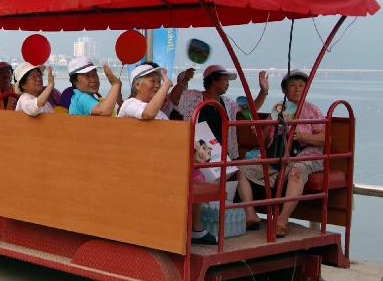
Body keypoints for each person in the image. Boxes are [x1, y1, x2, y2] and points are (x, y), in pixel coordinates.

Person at [119, 63, 217, 245]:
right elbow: (147, 114)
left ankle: (194, 228)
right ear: (137, 85)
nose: (157, 85)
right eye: (152, 81)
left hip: (159, 163)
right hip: (136, 166)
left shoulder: (161, 114)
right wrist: (166, 85)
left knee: (198, 176)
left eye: (158, 81)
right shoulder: (130, 104)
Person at [235, 70, 326, 238]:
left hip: (304, 156)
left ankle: (282, 220)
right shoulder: (278, 109)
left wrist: (303, 136)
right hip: (277, 156)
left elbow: (324, 138)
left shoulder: (312, 110)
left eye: (301, 86)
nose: (298, 89)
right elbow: (263, 140)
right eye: (293, 86)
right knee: (243, 171)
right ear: (285, 91)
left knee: (295, 172)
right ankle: (250, 214)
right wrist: (261, 127)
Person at [170, 64, 268, 159]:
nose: (228, 83)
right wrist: (185, 79)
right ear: (214, 80)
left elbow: (249, 111)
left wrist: (263, 92)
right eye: (225, 79)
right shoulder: (193, 97)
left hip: (221, 155)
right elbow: (174, 98)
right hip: (197, 154)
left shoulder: (228, 103)